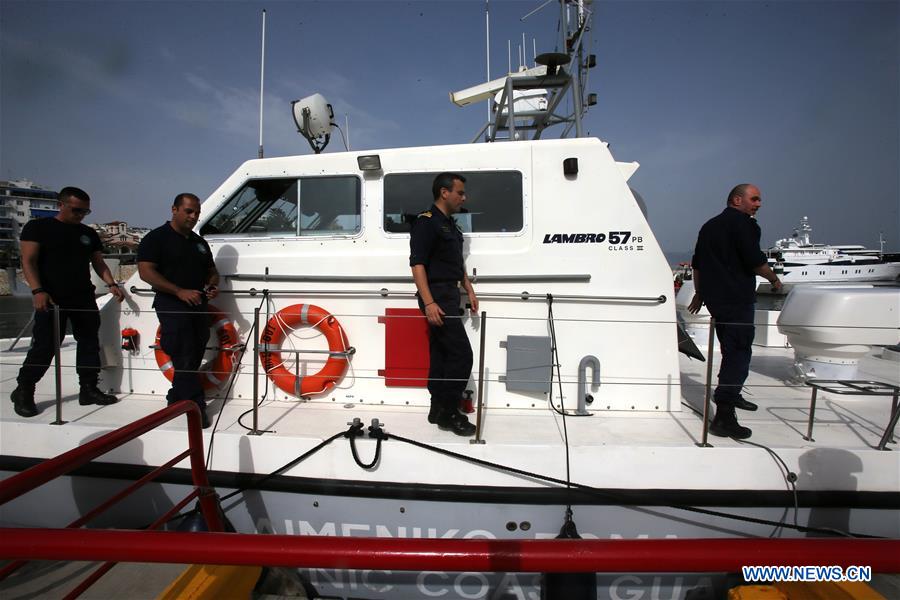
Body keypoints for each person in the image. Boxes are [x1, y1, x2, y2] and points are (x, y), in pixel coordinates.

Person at [10, 187, 125, 417]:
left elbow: (98, 263)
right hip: (51, 296)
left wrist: (111, 284)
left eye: (85, 211)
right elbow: (28, 261)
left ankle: (88, 388)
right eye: (76, 210)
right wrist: (37, 291)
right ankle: (24, 389)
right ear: (60, 205)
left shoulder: (87, 234)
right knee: (46, 345)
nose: (81, 215)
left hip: (82, 295)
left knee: (89, 342)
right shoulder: (38, 228)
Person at [688, 183, 782, 439]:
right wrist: (774, 280)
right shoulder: (745, 224)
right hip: (737, 300)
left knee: (731, 351)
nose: (759, 204)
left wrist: (699, 293)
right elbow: (756, 262)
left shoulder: (709, 226)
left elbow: (698, 264)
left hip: (717, 301)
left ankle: (733, 394)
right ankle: (724, 415)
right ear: (737, 200)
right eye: (755, 199)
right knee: (739, 353)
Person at [138, 193, 219, 428]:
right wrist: (178, 291)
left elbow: (211, 270)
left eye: (196, 213)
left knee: (193, 356)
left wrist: (212, 285)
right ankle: (196, 407)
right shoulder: (156, 239)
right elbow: (146, 272)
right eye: (188, 211)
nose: (193, 217)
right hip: (172, 306)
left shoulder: (198, 243)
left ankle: (175, 398)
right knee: (183, 355)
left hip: (198, 307)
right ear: (174, 209)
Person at [409, 172, 479, 436]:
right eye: (460, 192)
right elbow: (418, 264)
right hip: (436, 297)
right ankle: (450, 413)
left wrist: (468, 289)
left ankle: (437, 407)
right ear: (444, 193)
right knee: (462, 355)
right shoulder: (426, 223)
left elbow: (456, 264)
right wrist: (428, 303)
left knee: (442, 354)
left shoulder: (451, 226)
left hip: (449, 294)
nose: (464, 197)